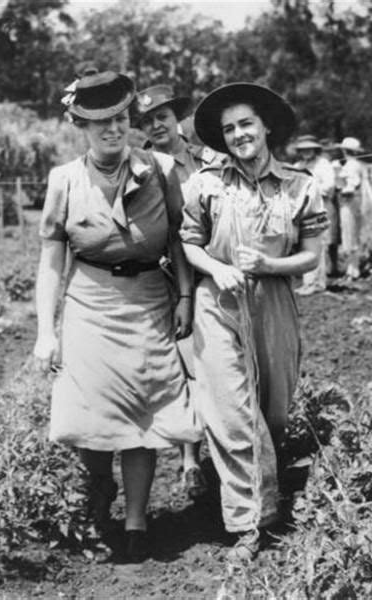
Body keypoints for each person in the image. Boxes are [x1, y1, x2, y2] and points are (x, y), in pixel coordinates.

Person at [33, 70, 202, 563]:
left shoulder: (163, 169)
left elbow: (179, 237)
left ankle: (137, 522)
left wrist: (186, 297)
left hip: (150, 298)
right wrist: (47, 332)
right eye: (100, 122)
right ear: (79, 126)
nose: (112, 130)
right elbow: (50, 260)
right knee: (93, 409)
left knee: (143, 409)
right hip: (89, 301)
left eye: (121, 119)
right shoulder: (63, 180)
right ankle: (98, 485)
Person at [180, 83, 328, 562]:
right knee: (230, 410)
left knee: (275, 408)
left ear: (266, 126)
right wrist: (216, 267)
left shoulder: (300, 185)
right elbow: (189, 242)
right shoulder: (207, 183)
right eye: (229, 129)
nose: (239, 134)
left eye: (246, 124)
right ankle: (248, 523)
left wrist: (270, 266)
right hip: (218, 300)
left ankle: (275, 490)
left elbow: (311, 256)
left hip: (274, 300)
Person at [136, 84, 220, 501]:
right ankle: (191, 460)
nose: (156, 125)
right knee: (188, 364)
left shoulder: (211, 159)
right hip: (175, 275)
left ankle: (228, 448)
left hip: (218, 270)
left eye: (162, 116)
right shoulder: (145, 168)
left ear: (177, 118)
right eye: (148, 121)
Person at [293, 135, 335, 294]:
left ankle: (318, 283)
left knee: (318, 243)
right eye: (303, 150)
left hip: (320, 207)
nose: (306, 152)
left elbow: (329, 185)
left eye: (308, 149)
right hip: (303, 210)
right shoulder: (298, 165)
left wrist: (310, 189)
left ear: (315, 149)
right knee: (305, 244)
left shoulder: (323, 164)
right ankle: (308, 282)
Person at [336, 137, 367, 280]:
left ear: (344, 150)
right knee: (349, 233)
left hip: (350, 202)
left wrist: (341, 189)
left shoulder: (352, 165)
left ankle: (354, 270)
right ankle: (351, 268)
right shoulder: (352, 164)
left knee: (350, 233)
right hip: (349, 202)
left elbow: (352, 186)